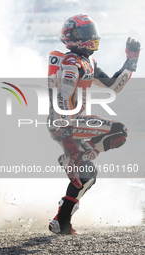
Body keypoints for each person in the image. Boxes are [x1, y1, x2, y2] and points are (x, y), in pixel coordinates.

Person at [47, 14, 140, 235]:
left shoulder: (86, 61)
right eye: (87, 33)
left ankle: (62, 222)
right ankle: (78, 154)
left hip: (69, 123)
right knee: (119, 131)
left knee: (87, 175)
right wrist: (68, 135)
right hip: (66, 123)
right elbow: (63, 96)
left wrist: (131, 61)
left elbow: (113, 87)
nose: (93, 37)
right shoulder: (71, 61)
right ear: (74, 37)